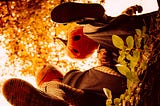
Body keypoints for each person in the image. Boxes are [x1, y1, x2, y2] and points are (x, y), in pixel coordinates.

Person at [2, 2, 159, 106]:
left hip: (133, 58)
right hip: (112, 91)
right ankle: (95, 21)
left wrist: (103, 57)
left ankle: (94, 20)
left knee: (92, 33)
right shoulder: (65, 81)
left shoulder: (78, 78)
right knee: (91, 31)